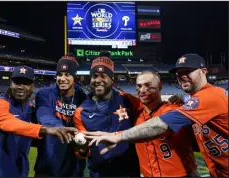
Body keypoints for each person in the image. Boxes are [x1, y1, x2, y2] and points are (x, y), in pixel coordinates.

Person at [85, 54, 228, 177]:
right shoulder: (137, 113)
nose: (143, 90)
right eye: (139, 86)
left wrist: (116, 136)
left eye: (188, 71)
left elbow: (160, 125)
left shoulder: (181, 107)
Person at [86, 71, 199, 177]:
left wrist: (181, 100)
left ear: (160, 87)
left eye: (148, 85)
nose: (142, 90)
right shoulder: (136, 116)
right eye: (139, 86)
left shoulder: (175, 110)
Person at [0, 66, 77, 177]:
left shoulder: (31, 111)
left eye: (25, 83)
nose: (21, 87)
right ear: (11, 84)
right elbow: (7, 122)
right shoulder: (1, 104)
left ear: (32, 87)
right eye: (17, 83)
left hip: (21, 172)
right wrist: (46, 129)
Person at [73, 51, 141, 177]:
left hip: (129, 171)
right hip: (99, 172)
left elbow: (150, 114)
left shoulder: (128, 100)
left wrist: (173, 101)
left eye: (103, 76)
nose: (98, 80)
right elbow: (82, 152)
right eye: (95, 76)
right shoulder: (81, 112)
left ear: (112, 78)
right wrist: (82, 150)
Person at [34, 54, 87, 177]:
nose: (62, 78)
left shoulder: (83, 97)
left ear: (75, 77)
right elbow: (43, 115)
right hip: (47, 165)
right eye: (59, 74)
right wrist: (59, 127)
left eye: (67, 74)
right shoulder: (45, 93)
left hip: (74, 167)